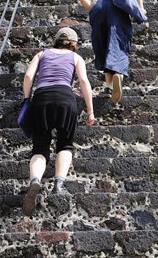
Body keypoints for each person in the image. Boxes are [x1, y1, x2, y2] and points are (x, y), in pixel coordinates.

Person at [22, 27, 95, 216]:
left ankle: (35, 180)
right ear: (74, 43)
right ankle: (59, 184)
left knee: (39, 147)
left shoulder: (41, 54)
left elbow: (29, 76)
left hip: (41, 99)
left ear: (55, 40)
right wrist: (90, 110)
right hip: (65, 98)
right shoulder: (76, 58)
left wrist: (27, 99)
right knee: (65, 144)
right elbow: (84, 82)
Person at [79, 0, 146, 104]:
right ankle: (118, 73)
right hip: (116, 6)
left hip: (99, 8)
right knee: (118, 40)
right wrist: (140, 7)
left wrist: (94, 9)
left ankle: (108, 86)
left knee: (102, 44)